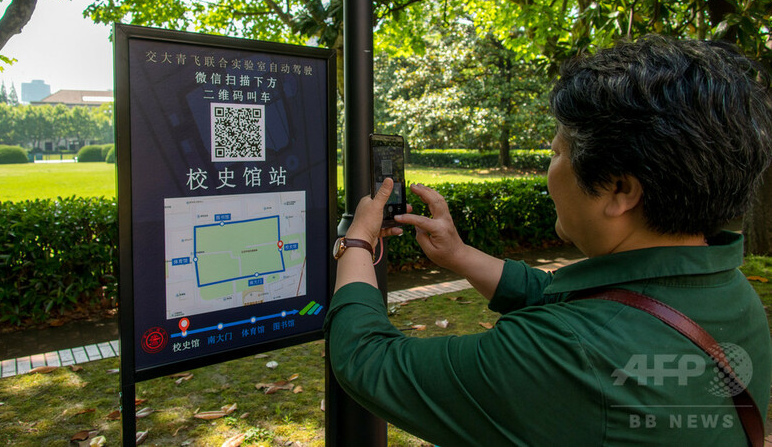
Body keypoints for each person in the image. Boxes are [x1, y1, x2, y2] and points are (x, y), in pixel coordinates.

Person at [324, 36, 772, 446]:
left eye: (557, 152)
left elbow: (367, 360)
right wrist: (459, 255)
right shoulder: (729, 293)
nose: (550, 170)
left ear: (619, 189)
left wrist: (357, 242)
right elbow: (567, 298)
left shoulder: (568, 354)